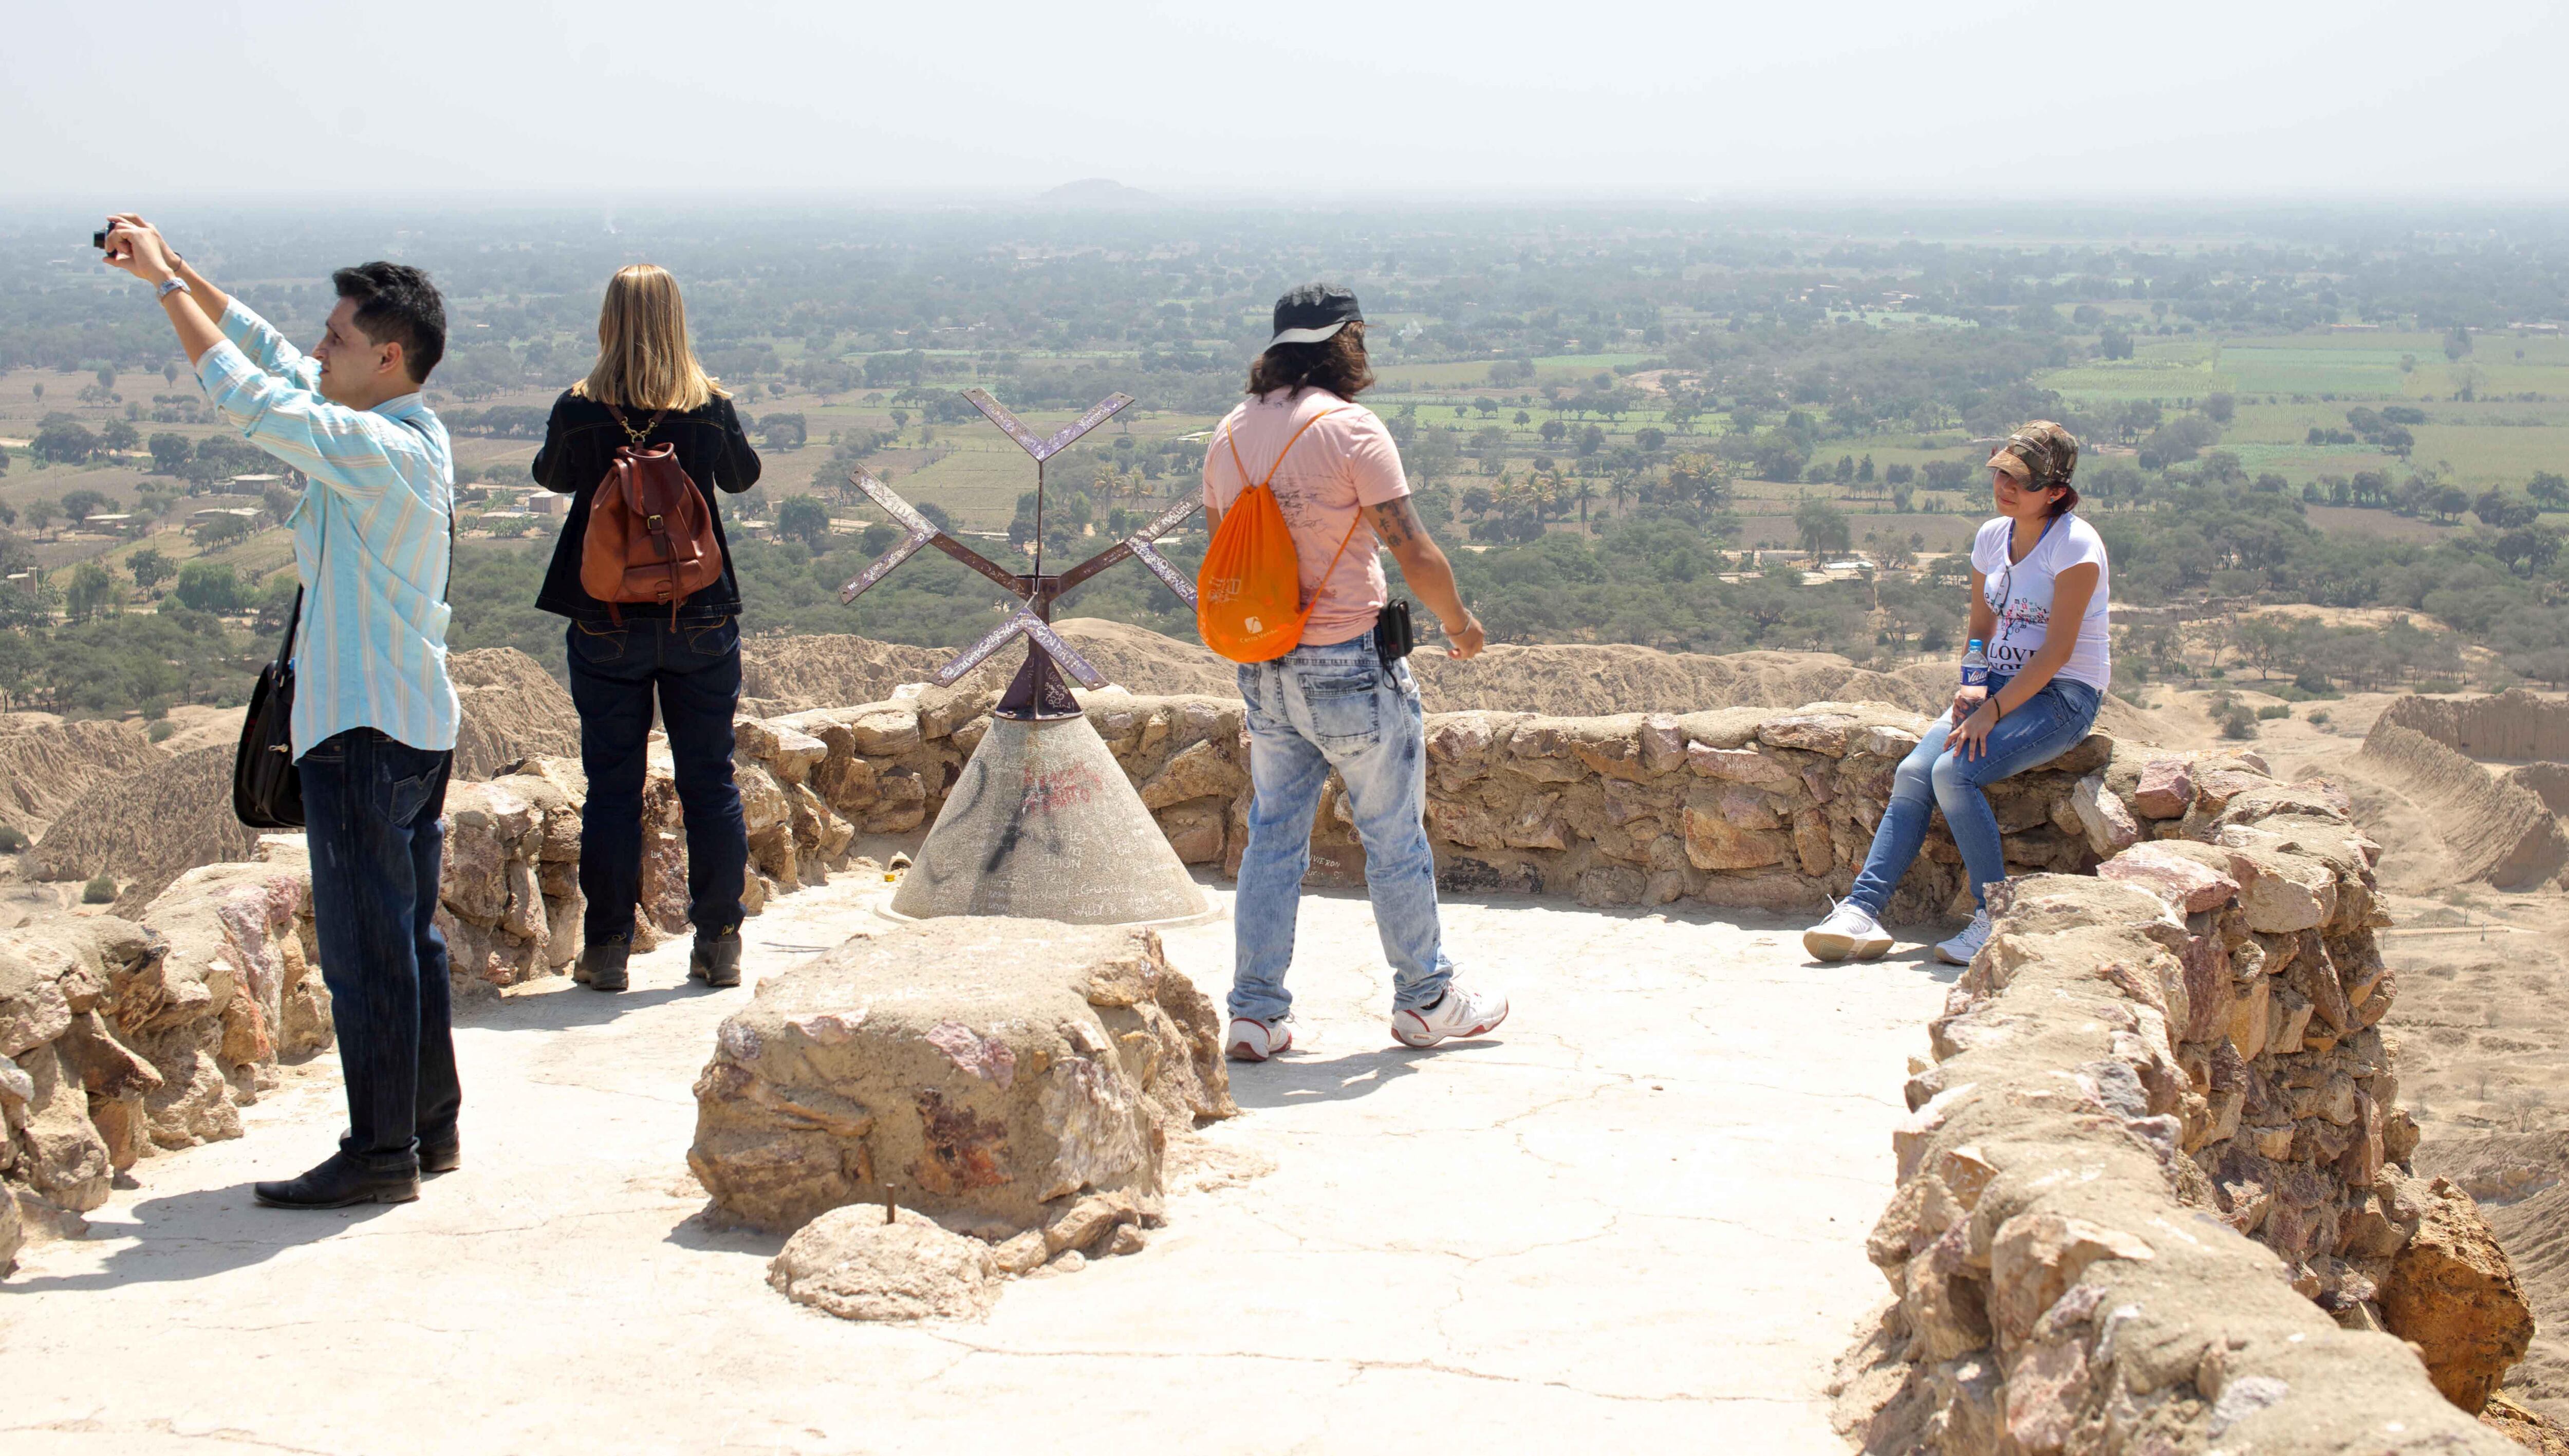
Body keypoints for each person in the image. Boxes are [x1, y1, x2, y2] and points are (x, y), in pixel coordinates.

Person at [102, 215, 461, 1209]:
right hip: (411, 723)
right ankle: (429, 1127)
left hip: (360, 731)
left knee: (364, 954)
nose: (318, 348)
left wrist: (164, 292)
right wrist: (179, 268)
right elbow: (269, 355)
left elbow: (251, 396)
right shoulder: (408, 432)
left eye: (337, 338)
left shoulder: (372, 448)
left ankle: (380, 1151)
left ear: (387, 356)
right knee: (410, 938)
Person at [1206, 283, 1507, 1061]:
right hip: (1348, 660)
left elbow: (1225, 554)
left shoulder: (1229, 435)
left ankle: (1254, 1014)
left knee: (1273, 839)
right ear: (1343, 342)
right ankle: (1426, 999)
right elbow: (1412, 549)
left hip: (1265, 664)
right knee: (1393, 837)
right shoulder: (1350, 429)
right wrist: (1460, 625)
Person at [1802, 421, 2109, 967]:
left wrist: (1992, 711)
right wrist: (1972, 681)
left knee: (1953, 773)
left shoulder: (2075, 546)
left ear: (2056, 491)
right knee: (1913, 772)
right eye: (2001, 473)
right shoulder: (1991, 536)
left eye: (2022, 480)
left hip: (2062, 694)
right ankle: (1862, 910)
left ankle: (1993, 917)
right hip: (1994, 685)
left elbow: (2056, 652)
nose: (2005, 487)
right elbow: (1979, 629)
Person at [531, 265, 760, 993]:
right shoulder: (708, 406)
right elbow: (743, 477)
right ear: (675, 322)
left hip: (605, 618)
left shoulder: (579, 408)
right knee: (710, 781)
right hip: (699, 614)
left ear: (608, 322)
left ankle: (607, 950)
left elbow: (551, 477)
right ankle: (719, 943)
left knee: (612, 789)